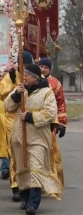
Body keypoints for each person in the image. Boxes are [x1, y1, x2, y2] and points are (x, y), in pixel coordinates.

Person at [4, 64, 62, 215]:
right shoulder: (20, 89)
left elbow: (50, 113)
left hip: (38, 138)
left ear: (35, 77)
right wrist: (17, 94)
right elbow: (8, 106)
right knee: (23, 168)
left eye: (27, 76)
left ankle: (33, 203)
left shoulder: (46, 92)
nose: (24, 78)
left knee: (35, 167)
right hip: (19, 137)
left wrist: (30, 117)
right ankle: (25, 198)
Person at [0, 51, 35, 202]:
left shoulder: (36, 75)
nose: (24, 68)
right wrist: (13, 85)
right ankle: (16, 185)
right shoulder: (11, 76)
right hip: (12, 119)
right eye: (22, 65)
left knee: (31, 153)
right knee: (14, 153)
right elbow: (1, 95)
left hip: (31, 119)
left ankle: (32, 185)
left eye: (27, 65)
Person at [38, 57, 67, 186]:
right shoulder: (33, 80)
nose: (43, 69)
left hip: (50, 123)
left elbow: (61, 103)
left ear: (49, 69)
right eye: (41, 66)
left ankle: (53, 181)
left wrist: (62, 123)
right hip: (34, 122)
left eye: (45, 67)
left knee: (52, 152)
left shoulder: (55, 83)